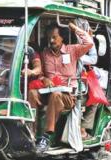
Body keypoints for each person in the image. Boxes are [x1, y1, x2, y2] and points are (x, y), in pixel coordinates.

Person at [28, 23, 94, 152]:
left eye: (54, 37)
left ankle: (46, 136)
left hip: (68, 96)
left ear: (62, 38)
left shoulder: (72, 50)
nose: (51, 40)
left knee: (56, 94)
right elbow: (40, 74)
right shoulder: (45, 53)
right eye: (49, 38)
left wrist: (74, 28)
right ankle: (32, 131)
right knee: (32, 93)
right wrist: (44, 79)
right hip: (47, 92)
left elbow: (89, 43)